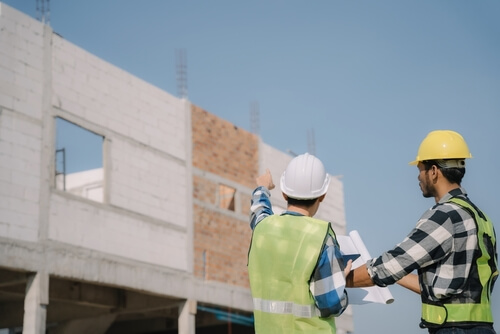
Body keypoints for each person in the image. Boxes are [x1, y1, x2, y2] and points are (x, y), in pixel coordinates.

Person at [346, 130, 498, 333]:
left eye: (420, 169)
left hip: (453, 330)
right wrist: (399, 273)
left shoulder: (445, 215)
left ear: (434, 171)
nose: (418, 176)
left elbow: (390, 265)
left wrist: (338, 280)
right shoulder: (481, 218)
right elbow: (445, 284)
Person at [247, 153, 351, 334]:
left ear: (284, 193)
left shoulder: (262, 228)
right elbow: (330, 304)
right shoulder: (322, 237)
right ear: (323, 196)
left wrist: (262, 187)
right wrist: (339, 280)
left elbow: (259, 209)